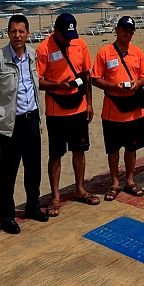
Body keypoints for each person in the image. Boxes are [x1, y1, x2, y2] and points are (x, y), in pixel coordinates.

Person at [0, 14, 49, 234]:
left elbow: (35, 84)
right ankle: (7, 216)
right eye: (13, 31)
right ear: (8, 33)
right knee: (8, 172)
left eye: (21, 31)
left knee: (33, 168)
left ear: (27, 33)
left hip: (32, 119)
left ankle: (33, 206)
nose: (17, 35)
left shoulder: (32, 55)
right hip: (11, 123)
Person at [36, 13, 98, 216]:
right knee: (56, 154)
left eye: (71, 35)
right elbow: (38, 81)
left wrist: (89, 103)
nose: (68, 40)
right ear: (56, 31)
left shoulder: (80, 44)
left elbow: (86, 76)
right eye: (65, 36)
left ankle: (80, 188)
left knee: (79, 150)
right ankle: (55, 196)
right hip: (56, 109)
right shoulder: (44, 49)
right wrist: (57, 85)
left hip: (79, 106)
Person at [91, 16, 144, 201]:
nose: (127, 33)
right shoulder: (105, 52)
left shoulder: (138, 52)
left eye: (131, 30)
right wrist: (113, 87)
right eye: (124, 29)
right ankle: (115, 183)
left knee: (132, 148)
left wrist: (138, 83)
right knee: (113, 149)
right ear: (117, 30)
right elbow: (95, 78)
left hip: (134, 110)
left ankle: (130, 181)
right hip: (112, 110)